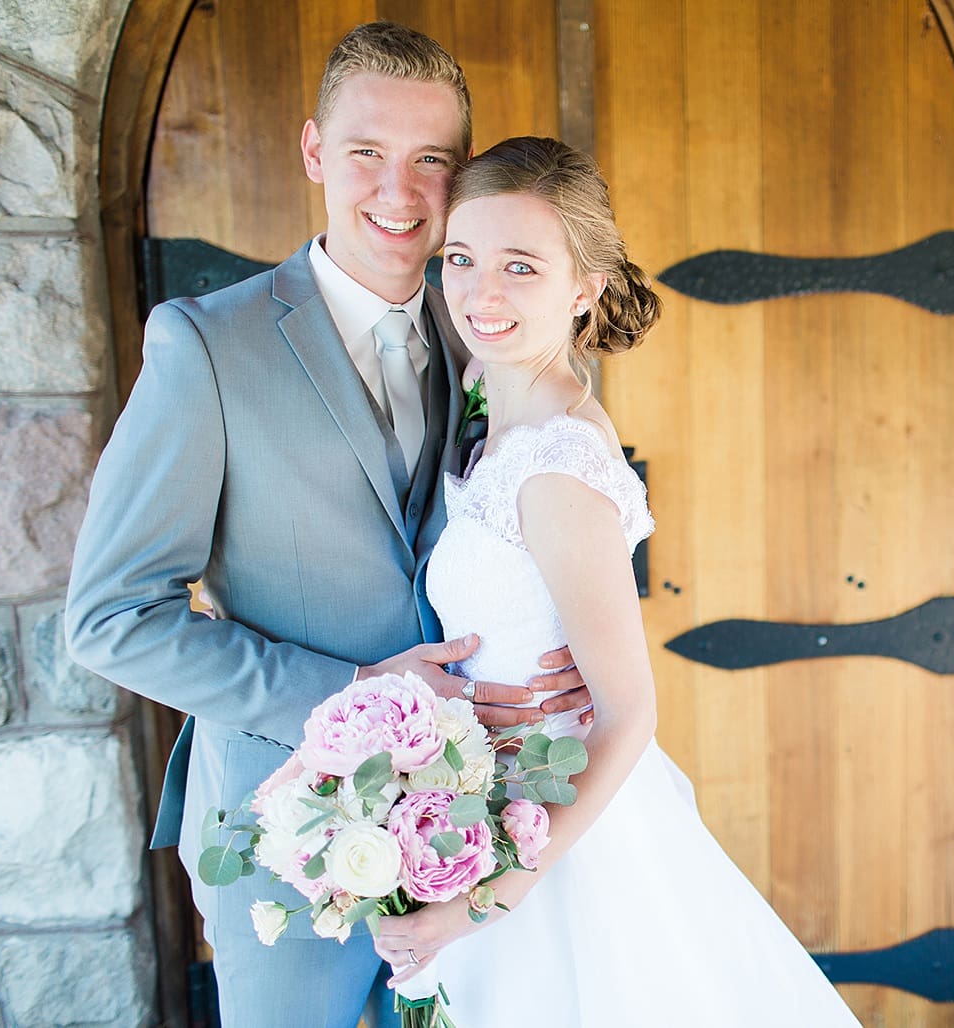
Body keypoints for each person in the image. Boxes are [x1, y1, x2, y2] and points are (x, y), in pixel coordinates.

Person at [64, 25, 591, 1028]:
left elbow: (557, 510)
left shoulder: (492, 331)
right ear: (314, 152)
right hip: (285, 835)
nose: (398, 192)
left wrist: (559, 653)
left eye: (431, 161)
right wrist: (351, 691)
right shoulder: (206, 347)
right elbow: (109, 618)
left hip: (477, 834)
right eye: (365, 155)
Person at [371, 136, 862, 1026]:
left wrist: (484, 903)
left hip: (557, 847)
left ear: (583, 288)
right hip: (493, 798)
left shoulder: (557, 467)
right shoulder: (490, 399)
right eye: (462, 259)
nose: (481, 294)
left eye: (521, 267)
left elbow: (628, 710)